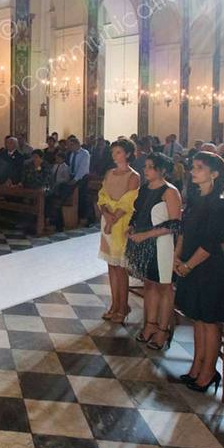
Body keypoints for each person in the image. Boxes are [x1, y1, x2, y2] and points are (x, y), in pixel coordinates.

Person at [174, 151, 224, 393]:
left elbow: (211, 242)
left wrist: (188, 265)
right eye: (193, 167)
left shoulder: (221, 203)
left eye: (199, 167)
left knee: (209, 322)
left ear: (214, 173)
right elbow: (184, 232)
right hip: (189, 264)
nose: (193, 171)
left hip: (209, 269)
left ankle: (209, 371)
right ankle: (196, 366)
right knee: (197, 319)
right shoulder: (196, 199)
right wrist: (177, 258)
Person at [126, 153, 182, 350]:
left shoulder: (170, 192)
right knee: (149, 285)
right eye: (146, 166)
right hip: (144, 243)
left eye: (151, 167)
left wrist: (146, 235)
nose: (146, 170)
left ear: (162, 170)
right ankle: (149, 325)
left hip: (162, 244)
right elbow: (137, 212)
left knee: (164, 287)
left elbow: (174, 224)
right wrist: (133, 227)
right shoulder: (144, 189)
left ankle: (162, 330)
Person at [97, 139, 140, 324]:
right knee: (111, 266)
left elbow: (129, 200)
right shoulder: (109, 172)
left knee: (121, 267)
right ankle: (114, 304)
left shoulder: (133, 176)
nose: (115, 156)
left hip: (122, 221)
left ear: (128, 154)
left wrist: (114, 218)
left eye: (119, 152)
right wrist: (106, 213)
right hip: (108, 219)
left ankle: (123, 307)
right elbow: (103, 195)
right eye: (113, 152)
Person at [64, 136, 92, 225]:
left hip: (83, 178)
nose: (69, 147)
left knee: (82, 197)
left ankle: (84, 218)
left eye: (71, 145)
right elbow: (70, 167)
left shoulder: (85, 154)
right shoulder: (72, 154)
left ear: (76, 144)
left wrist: (75, 180)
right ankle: (71, 217)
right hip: (73, 176)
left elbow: (82, 169)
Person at [45, 151, 72, 231]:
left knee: (55, 205)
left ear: (62, 159)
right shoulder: (55, 166)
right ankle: (49, 219)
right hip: (53, 187)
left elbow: (66, 178)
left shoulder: (66, 167)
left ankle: (57, 224)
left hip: (60, 188)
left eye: (58, 158)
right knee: (47, 201)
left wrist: (58, 181)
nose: (56, 159)